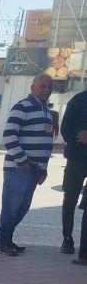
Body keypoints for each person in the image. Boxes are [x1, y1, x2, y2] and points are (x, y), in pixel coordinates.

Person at [0, 73, 55, 256]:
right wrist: (22, 160)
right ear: (32, 87)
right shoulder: (22, 106)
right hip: (19, 169)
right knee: (12, 207)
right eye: (43, 86)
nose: (46, 90)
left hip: (34, 170)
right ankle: (4, 242)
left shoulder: (47, 111)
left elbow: (46, 143)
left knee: (22, 208)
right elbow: (9, 136)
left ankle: (3, 239)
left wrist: (43, 170)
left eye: (49, 87)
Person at [60, 85, 87, 254]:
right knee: (70, 198)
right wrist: (78, 139)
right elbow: (65, 129)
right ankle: (67, 238)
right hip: (76, 159)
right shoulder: (78, 100)